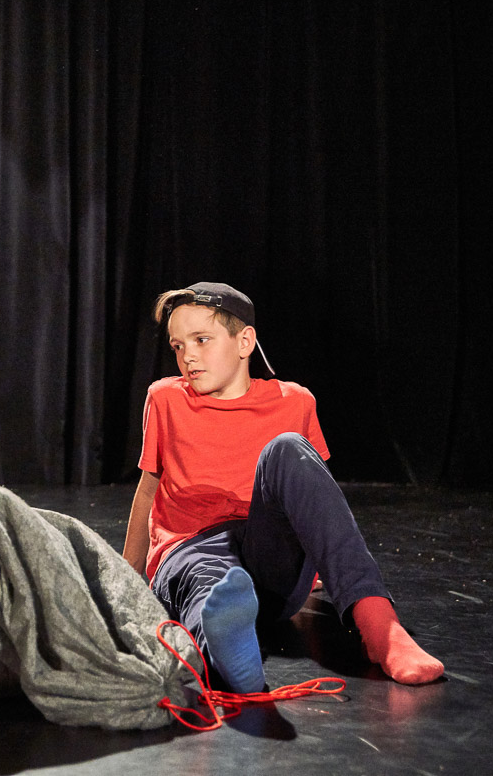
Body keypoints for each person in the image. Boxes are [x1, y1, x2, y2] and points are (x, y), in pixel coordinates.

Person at [121, 282, 444, 692]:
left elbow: (312, 495)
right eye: (178, 346)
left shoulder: (295, 402)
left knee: (289, 447)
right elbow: (148, 488)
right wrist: (126, 581)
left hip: (266, 556)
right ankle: (230, 654)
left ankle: (381, 628)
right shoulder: (166, 398)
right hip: (192, 548)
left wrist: (315, 564)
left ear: (245, 342)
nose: (188, 356)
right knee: (212, 586)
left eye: (201, 340)